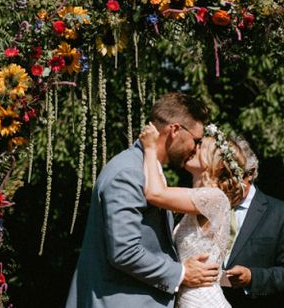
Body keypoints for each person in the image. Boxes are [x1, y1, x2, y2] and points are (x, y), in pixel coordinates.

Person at [65, 92, 221, 308]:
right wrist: (182, 273)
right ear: (175, 130)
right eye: (195, 140)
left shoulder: (145, 169)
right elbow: (124, 251)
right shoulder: (129, 172)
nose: (196, 148)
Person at [139, 120, 247, 308]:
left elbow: (155, 193)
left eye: (200, 146)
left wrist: (150, 149)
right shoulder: (198, 199)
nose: (192, 147)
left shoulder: (215, 198)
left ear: (218, 163)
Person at [221, 136, 284, 307]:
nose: (223, 184)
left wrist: (252, 277)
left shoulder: (283, 214)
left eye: (230, 177)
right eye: (220, 176)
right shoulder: (206, 207)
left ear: (250, 174)